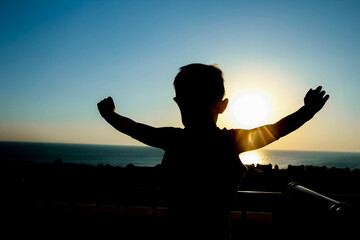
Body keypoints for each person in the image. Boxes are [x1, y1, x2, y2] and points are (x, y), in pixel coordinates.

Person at [97, 63, 329, 239]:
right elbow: (276, 130)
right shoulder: (228, 142)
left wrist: (110, 115)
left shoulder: (174, 139)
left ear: (177, 102)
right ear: (222, 105)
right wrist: (307, 111)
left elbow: (135, 130)